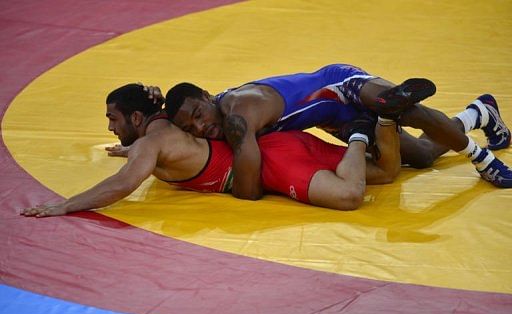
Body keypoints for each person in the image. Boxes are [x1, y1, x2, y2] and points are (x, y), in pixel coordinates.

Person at [21, 83, 401, 217]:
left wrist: (65, 205)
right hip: (279, 145)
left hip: (273, 164)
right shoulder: (165, 124)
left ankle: (360, 134)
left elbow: (121, 186)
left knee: (351, 196)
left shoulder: (151, 143)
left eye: (113, 119)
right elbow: (172, 102)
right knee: (384, 173)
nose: (109, 127)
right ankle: (375, 125)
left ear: (138, 118)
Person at [153, 63, 511, 200]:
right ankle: (479, 113)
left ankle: (482, 159)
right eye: (191, 128)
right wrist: (154, 112)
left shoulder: (236, 118)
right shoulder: (215, 106)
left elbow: (248, 192)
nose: (201, 127)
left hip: (338, 84)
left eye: (199, 115)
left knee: (407, 109)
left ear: (205, 95)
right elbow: (173, 122)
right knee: (418, 157)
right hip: (333, 119)